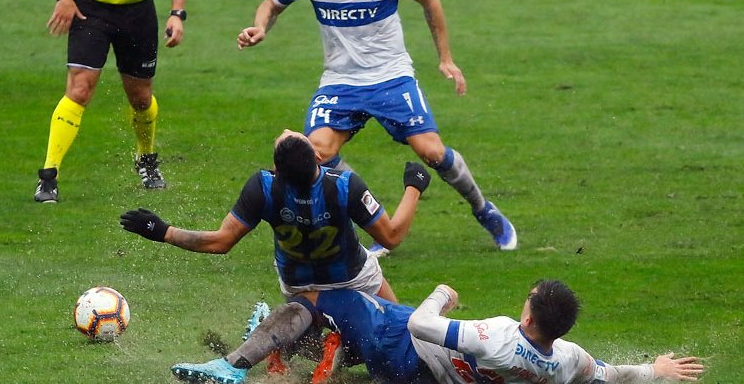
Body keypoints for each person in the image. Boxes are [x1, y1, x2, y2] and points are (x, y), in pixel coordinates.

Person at [236, 0, 516, 251]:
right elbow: (271, 4)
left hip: (391, 76)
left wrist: (445, 58)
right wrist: (260, 27)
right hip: (339, 81)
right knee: (317, 153)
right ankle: (378, 221)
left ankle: (483, 209)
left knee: (431, 152)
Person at [171, 280, 704, 384]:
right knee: (348, 333)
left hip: (406, 345)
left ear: (528, 319)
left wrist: (442, 295)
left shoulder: (496, 335)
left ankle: (240, 365)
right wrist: (655, 371)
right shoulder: (565, 362)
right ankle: (283, 349)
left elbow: (426, 323)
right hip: (426, 376)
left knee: (321, 299)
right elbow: (610, 374)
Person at [120, 129, 432, 303]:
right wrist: (413, 187)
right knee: (399, 332)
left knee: (308, 349)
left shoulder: (265, 188)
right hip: (354, 277)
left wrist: (162, 231)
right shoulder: (344, 186)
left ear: (278, 170)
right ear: (318, 160)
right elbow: (391, 236)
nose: (286, 132)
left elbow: (220, 242)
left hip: (299, 286)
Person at [34, 0, 188, 203]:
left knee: (141, 99)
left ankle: (146, 159)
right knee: (79, 88)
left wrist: (177, 13)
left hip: (138, 14)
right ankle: (49, 175)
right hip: (91, 11)